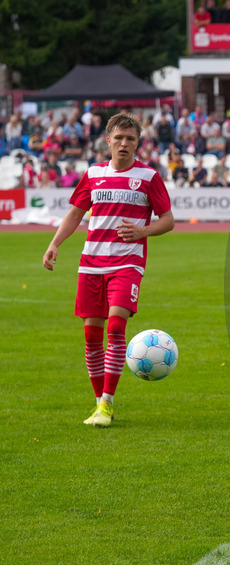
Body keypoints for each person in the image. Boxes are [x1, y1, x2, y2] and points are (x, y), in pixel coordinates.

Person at [42, 112, 175, 428]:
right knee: (91, 335)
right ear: (108, 140)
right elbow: (75, 215)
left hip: (127, 264)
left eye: (130, 139)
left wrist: (143, 231)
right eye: (119, 138)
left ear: (138, 142)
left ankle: (107, 403)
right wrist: (54, 244)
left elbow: (168, 220)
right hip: (91, 263)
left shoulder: (148, 177)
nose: (124, 144)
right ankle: (98, 402)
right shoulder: (92, 175)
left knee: (115, 327)